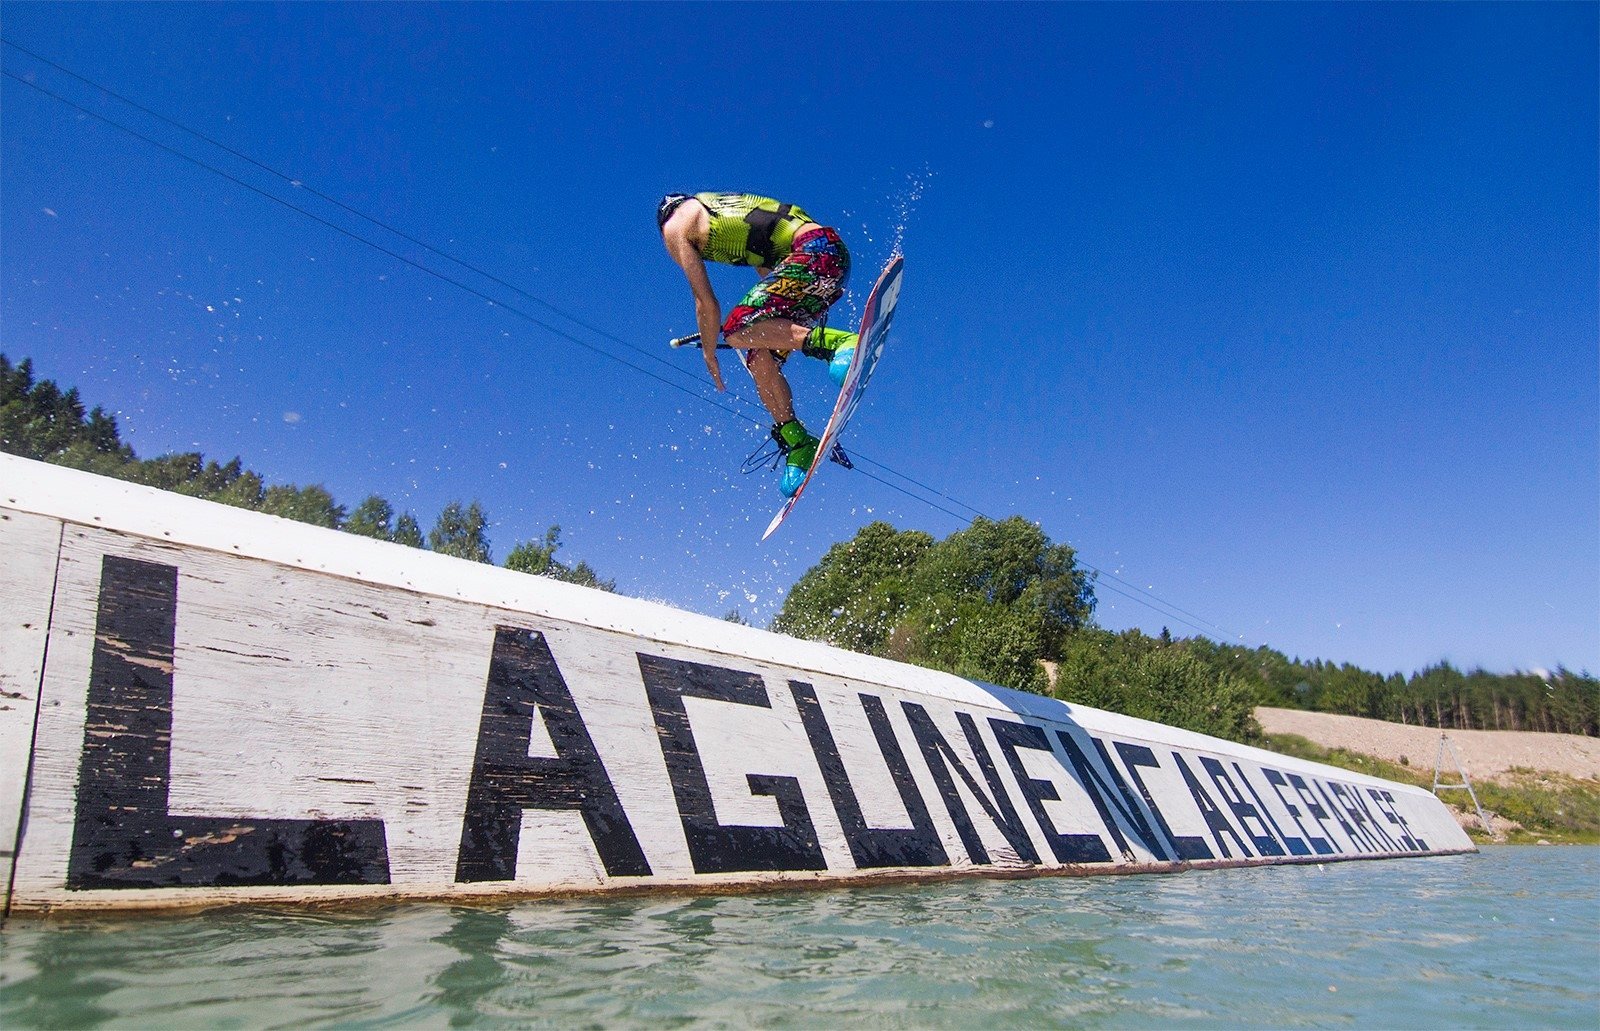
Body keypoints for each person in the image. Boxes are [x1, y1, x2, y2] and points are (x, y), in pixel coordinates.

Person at [658, 191, 858, 496]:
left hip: (817, 253)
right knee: (758, 355)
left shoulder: (675, 225)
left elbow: (706, 304)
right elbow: (774, 291)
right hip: (828, 260)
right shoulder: (729, 212)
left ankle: (840, 344)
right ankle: (797, 441)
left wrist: (710, 352)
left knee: (737, 329)